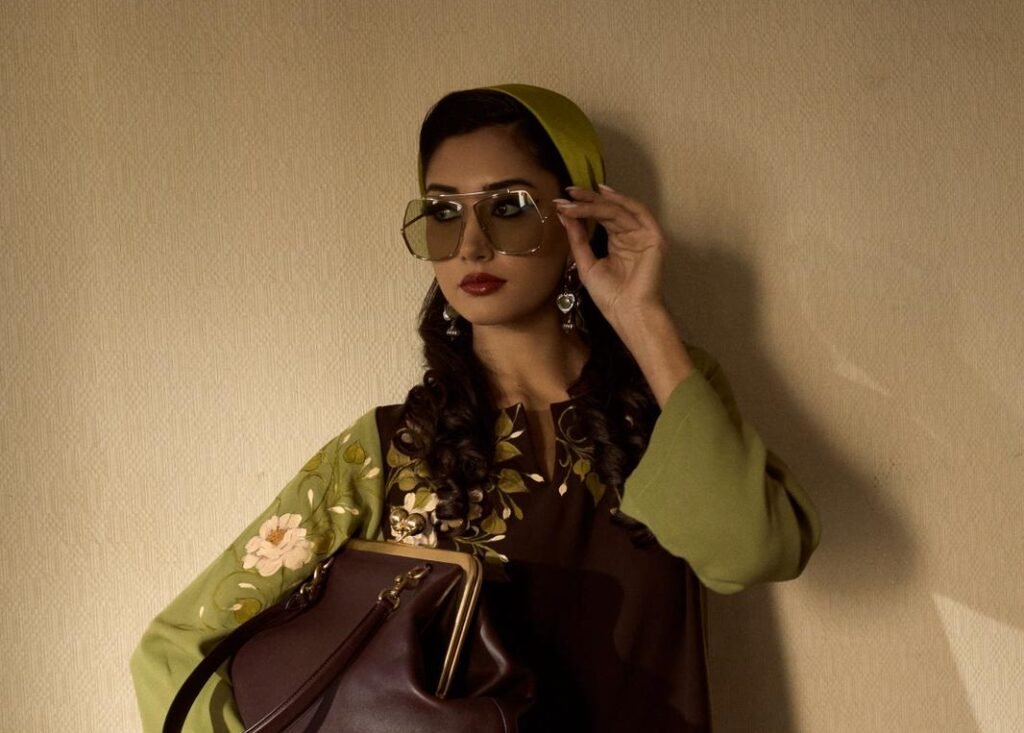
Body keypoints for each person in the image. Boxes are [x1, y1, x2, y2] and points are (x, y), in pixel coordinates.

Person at [131, 83, 820, 732]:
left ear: (578, 216)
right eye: (443, 213)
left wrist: (642, 319)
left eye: (509, 206)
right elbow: (174, 648)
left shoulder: (664, 397)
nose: (470, 244)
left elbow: (753, 552)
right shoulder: (391, 449)